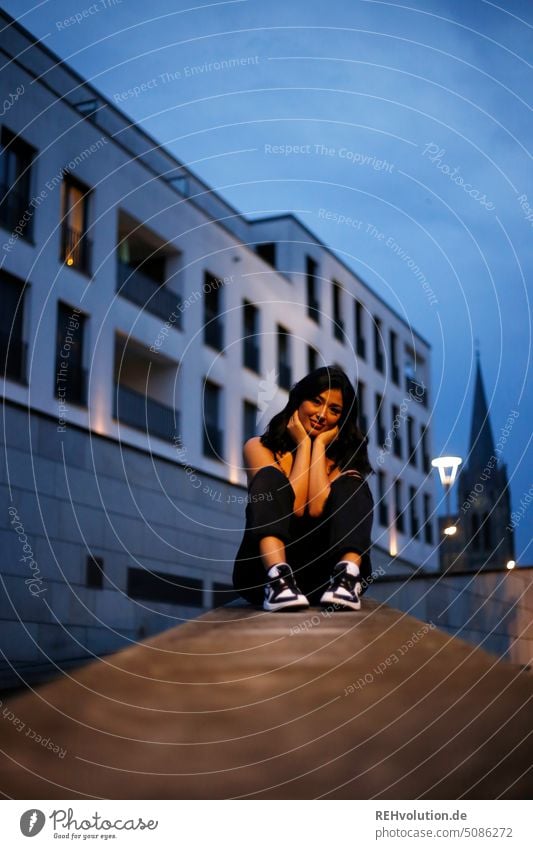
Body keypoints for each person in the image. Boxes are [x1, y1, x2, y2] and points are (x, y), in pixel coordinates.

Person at [232, 365, 374, 612]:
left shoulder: (346, 459)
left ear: (342, 418)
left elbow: (317, 506)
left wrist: (317, 446)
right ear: (299, 400)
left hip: (325, 579)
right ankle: (279, 581)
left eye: (334, 409)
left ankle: (347, 579)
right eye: (316, 401)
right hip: (260, 575)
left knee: (353, 485)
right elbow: (294, 507)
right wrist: (303, 445)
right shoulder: (259, 448)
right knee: (269, 478)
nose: (321, 414)